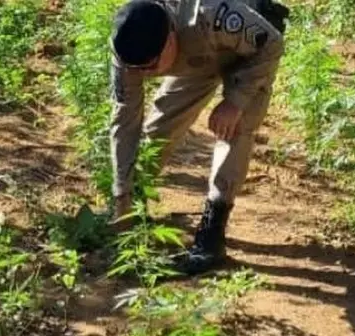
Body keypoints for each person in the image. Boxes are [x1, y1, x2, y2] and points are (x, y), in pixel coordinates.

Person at [109, 0, 289, 275]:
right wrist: (122, 189)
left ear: (170, 38)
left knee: (234, 129)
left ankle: (212, 233)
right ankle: (134, 207)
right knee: (157, 132)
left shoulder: (211, 14)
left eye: (151, 66)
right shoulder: (127, 54)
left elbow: (271, 44)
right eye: (138, 69)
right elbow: (125, 121)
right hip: (197, 58)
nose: (145, 75)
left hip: (250, 54)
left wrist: (235, 102)